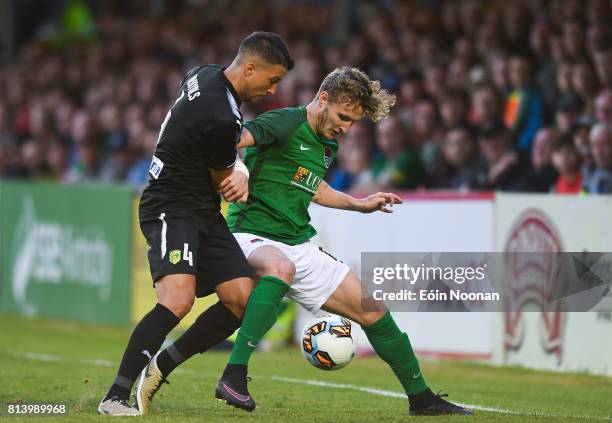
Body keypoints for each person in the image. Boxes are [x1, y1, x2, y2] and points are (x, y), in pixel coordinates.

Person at [204, 67, 466, 415]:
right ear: (322, 99)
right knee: (279, 269)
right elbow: (229, 143)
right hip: (250, 233)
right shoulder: (284, 122)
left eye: (353, 122)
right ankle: (234, 376)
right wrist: (241, 170)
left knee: (372, 310)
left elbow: (314, 187)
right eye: (343, 117)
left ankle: (423, 399)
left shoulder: (326, 143)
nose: (345, 127)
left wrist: (359, 204)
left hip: (297, 242)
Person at [98, 31, 293, 416]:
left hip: (201, 210)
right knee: (177, 300)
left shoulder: (204, 74)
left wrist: (237, 167)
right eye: (272, 80)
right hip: (172, 206)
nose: (272, 91)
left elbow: (216, 154)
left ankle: (161, 366)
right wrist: (243, 175)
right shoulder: (222, 114)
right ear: (250, 68)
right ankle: (115, 396)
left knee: (241, 298)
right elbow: (225, 180)